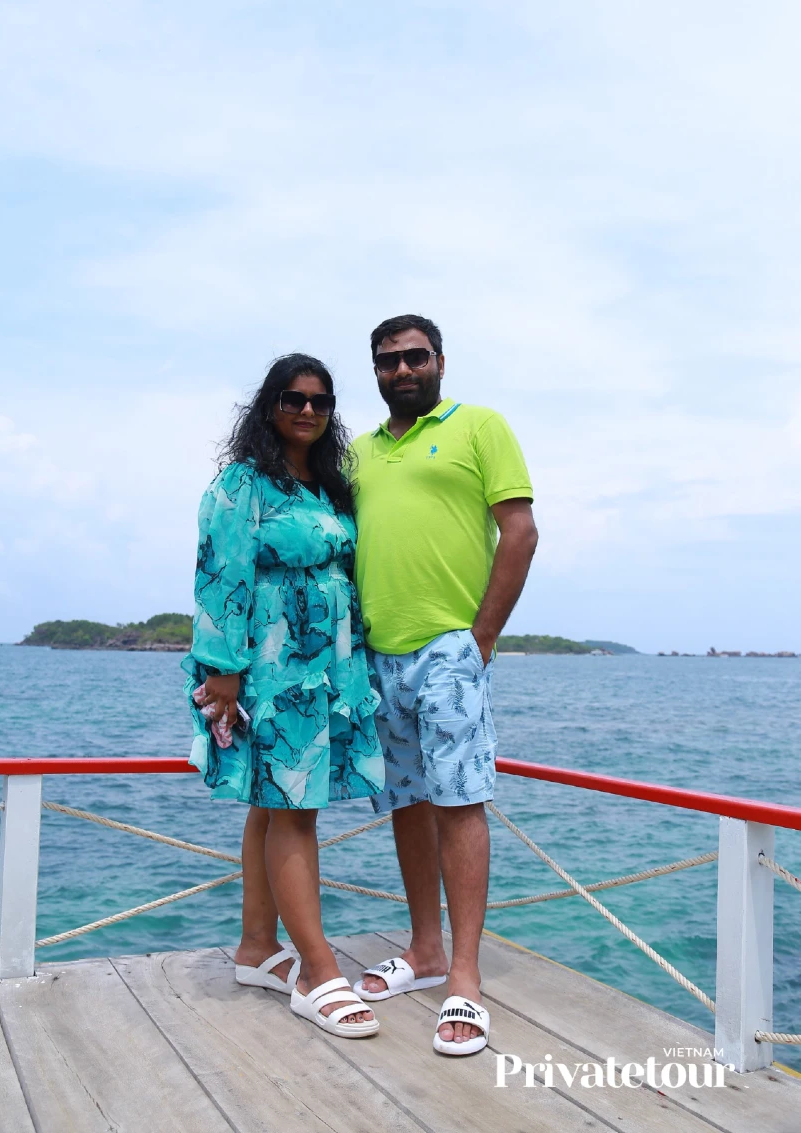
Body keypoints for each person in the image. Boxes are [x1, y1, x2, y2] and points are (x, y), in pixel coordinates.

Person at [350, 315, 538, 1056]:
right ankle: (425, 949)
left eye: (415, 356)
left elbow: (520, 531)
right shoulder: (360, 451)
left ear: (440, 361)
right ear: (375, 371)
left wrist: (480, 639)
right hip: (379, 654)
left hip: (449, 649)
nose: (402, 369)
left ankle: (465, 974)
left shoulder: (480, 426)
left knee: (459, 802)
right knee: (407, 800)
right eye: (388, 361)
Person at [182, 353, 385, 1038]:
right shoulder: (244, 482)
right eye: (293, 398)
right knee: (295, 808)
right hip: (272, 665)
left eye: (321, 401)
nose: (307, 410)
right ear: (269, 405)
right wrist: (223, 669)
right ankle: (317, 971)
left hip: (326, 665)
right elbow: (220, 574)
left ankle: (256, 947)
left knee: (274, 806)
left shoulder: (327, 486)